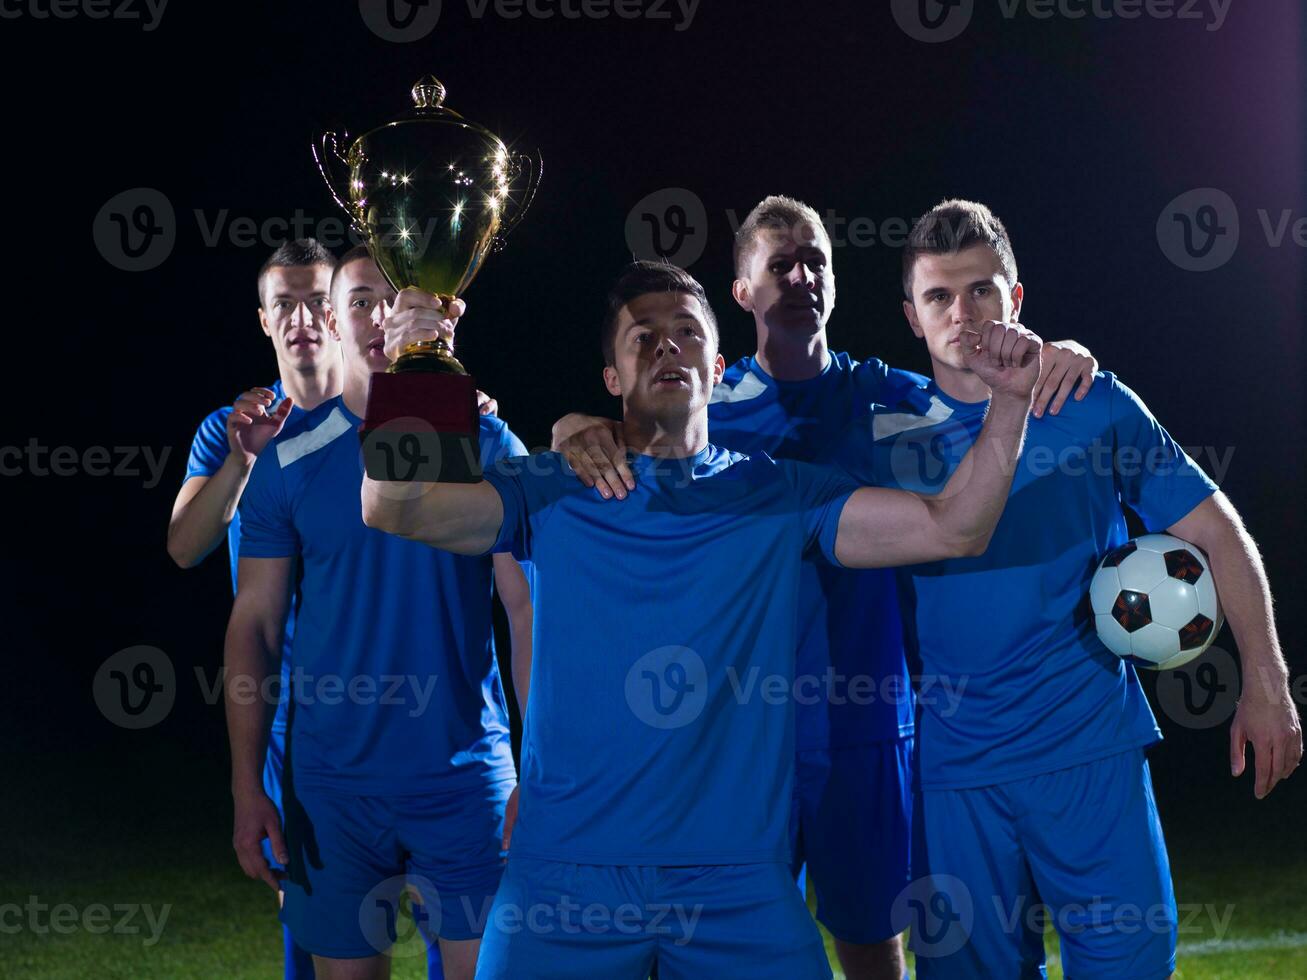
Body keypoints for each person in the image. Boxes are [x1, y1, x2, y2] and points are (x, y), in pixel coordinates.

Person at [361, 260, 1042, 979]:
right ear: (612, 378)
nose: (666, 346)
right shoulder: (556, 486)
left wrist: (1010, 401)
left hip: (738, 884)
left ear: (717, 369)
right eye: (642, 336)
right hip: (565, 880)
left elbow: (952, 528)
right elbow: (394, 505)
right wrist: (414, 363)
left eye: (686, 332)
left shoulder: (776, 493)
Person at [551, 196, 1099, 980]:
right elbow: (617, 447)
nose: (801, 276)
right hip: (733, 735)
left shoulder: (893, 398)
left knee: (874, 947)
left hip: (866, 722)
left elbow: (986, 399)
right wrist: (572, 424)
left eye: (816, 262)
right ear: (741, 293)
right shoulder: (702, 407)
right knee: (715, 951)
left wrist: (1062, 356)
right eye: (779, 264)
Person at [837, 199, 1303, 978]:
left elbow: (1216, 532)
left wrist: (1264, 679)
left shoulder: (1088, 405)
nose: (964, 313)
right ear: (912, 319)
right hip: (952, 770)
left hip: (1088, 750)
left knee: (1131, 962)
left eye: (982, 289)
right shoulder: (881, 434)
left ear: (1015, 297)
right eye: (939, 297)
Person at [224, 244, 532, 980]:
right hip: (332, 784)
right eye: (359, 300)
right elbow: (255, 626)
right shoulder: (290, 458)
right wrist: (246, 786)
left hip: (465, 777)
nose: (379, 317)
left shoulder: (485, 440)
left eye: (395, 300)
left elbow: (526, 612)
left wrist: (540, 765)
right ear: (330, 319)